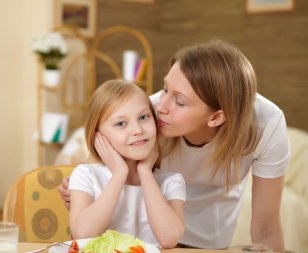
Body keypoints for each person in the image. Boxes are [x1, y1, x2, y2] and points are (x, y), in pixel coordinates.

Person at [60, 40, 290, 251]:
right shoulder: (146, 117)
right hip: (150, 237)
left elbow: (266, 229)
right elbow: (101, 167)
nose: (161, 107)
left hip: (211, 232)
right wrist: (83, 189)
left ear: (216, 118)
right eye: (165, 88)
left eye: (179, 101)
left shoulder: (266, 125)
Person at [68, 80, 186, 248]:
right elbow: (82, 235)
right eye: (121, 123)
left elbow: (169, 239)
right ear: (98, 136)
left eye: (144, 117)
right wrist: (119, 175)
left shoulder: (172, 181)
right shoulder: (85, 175)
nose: (138, 129)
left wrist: (145, 172)